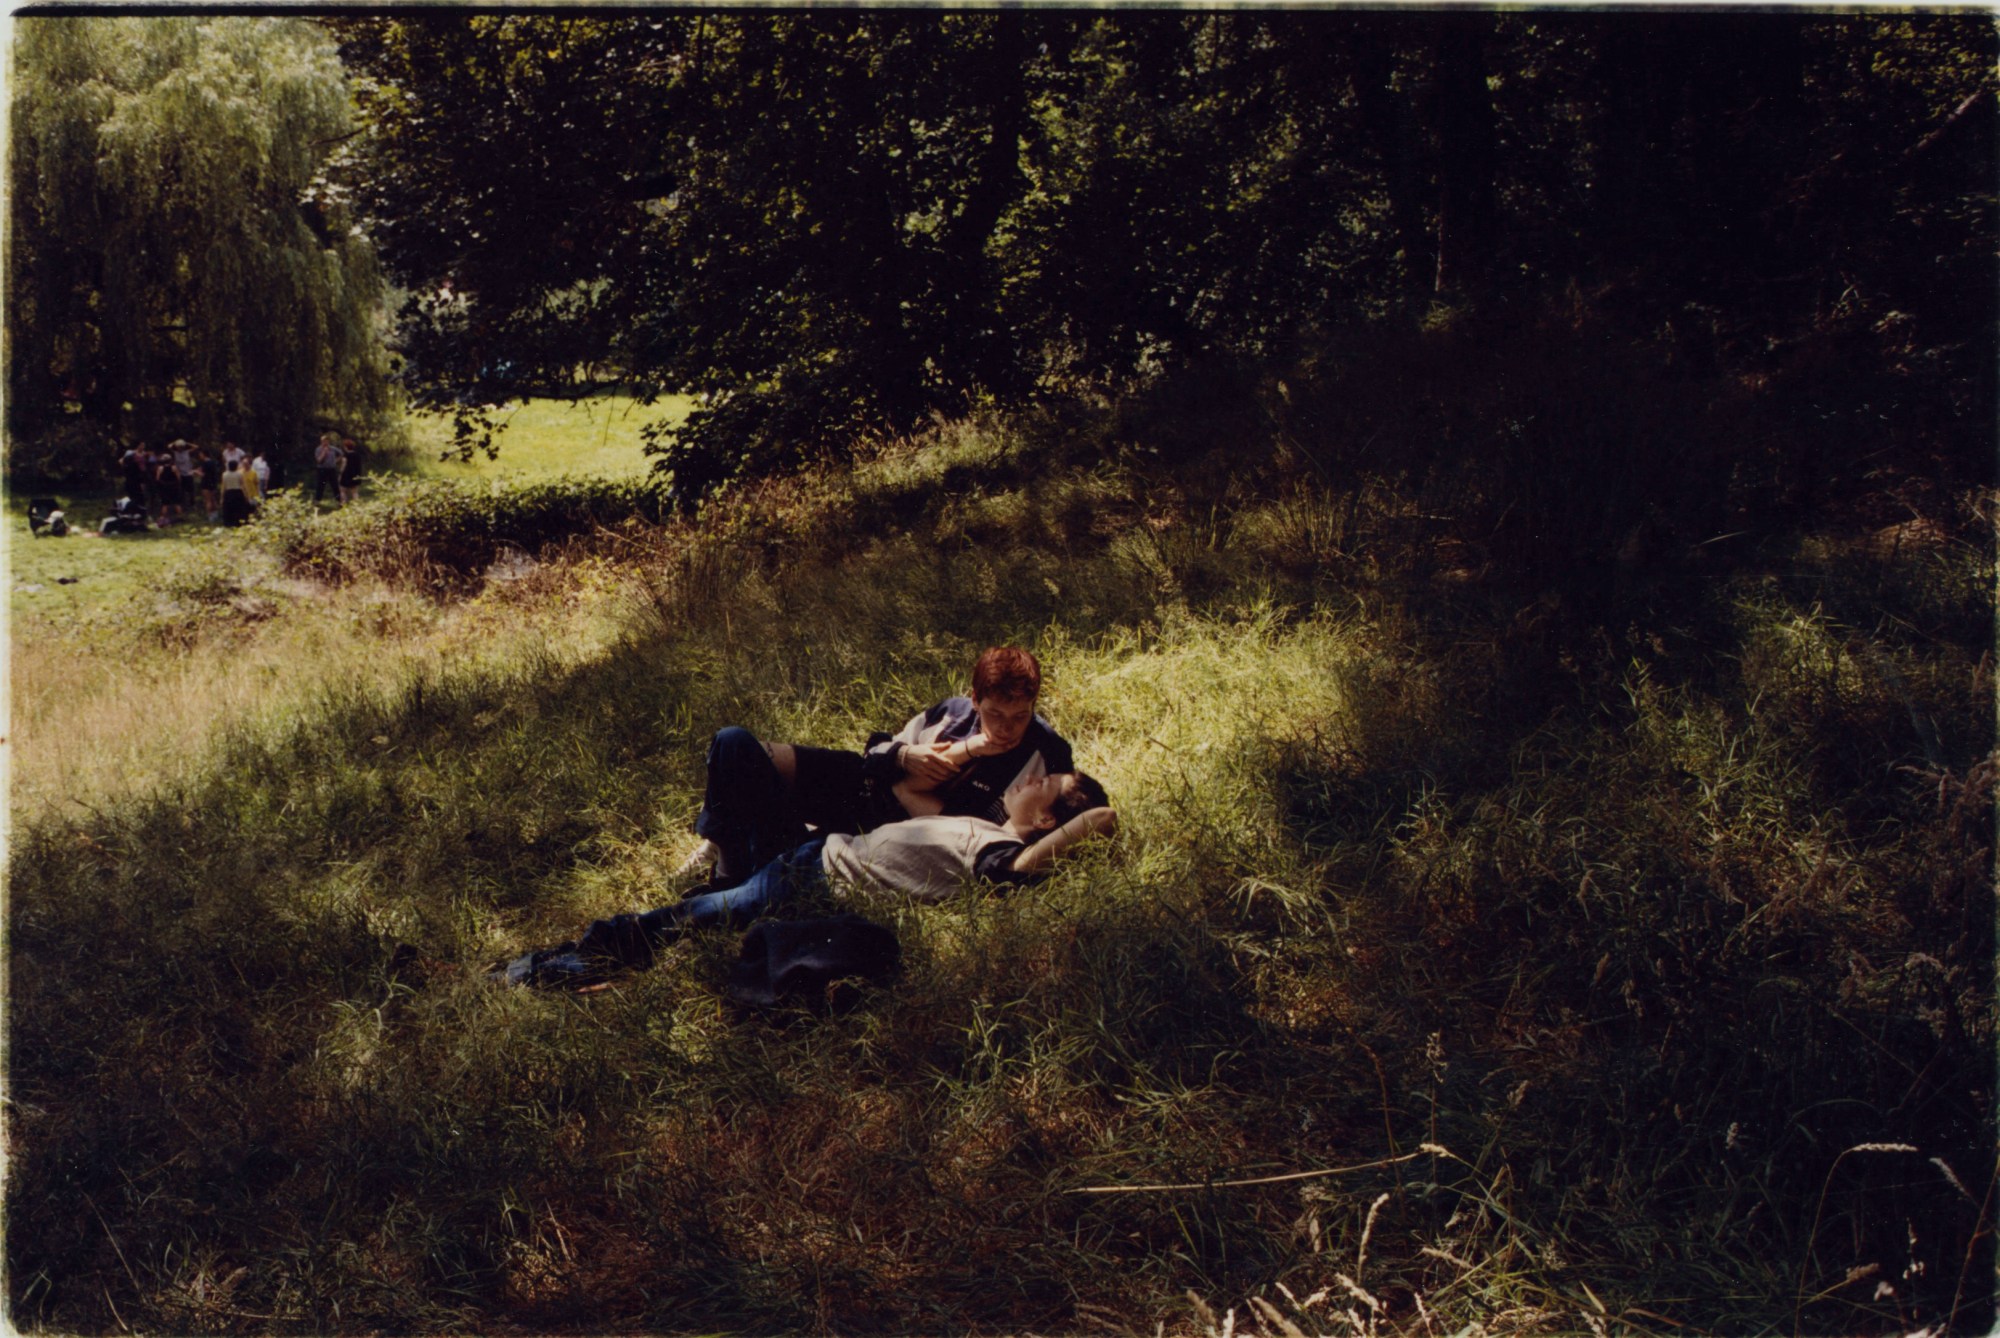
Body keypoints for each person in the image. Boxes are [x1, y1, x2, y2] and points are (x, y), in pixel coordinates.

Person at [500, 771, 1115, 988]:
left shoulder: (1002, 852)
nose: (1032, 779)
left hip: (812, 882)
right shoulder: (991, 827)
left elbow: (1029, 866)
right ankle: (577, 957)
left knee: (685, 922)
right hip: (809, 858)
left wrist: (1096, 815)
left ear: (1050, 817)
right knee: (702, 906)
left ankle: (551, 968)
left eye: (1046, 784)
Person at [686, 646, 1075, 888]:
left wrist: (932, 780)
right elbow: (875, 751)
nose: (1006, 729)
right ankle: (725, 844)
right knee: (733, 742)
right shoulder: (952, 713)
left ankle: (729, 870)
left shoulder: (1049, 752)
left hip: (894, 832)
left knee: (779, 855)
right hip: (863, 787)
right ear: (975, 699)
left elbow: (1039, 826)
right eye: (995, 714)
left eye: (1020, 716)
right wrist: (905, 756)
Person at [219, 457, 252, 527]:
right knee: (239, 509)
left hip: (228, 493)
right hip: (237, 492)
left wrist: (221, 497)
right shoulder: (239, 474)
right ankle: (239, 523)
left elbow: (223, 487)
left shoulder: (224, 474)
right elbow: (243, 485)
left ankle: (229, 523)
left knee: (229, 509)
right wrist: (246, 495)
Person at [312, 432, 343, 505]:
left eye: (327, 441)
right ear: (321, 441)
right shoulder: (318, 449)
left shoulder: (333, 448)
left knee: (335, 485)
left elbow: (341, 454)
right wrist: (324, 453)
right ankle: (317, 501)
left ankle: (339, 501)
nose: (325, 442)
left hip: (331, 469)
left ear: (328, 441)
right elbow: (319, 461)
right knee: (320, 485)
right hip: (322, 469)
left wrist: (336, 460)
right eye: (324, 441)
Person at [338, 436, 362, 505]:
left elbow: (343, 465)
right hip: (356, 474)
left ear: (346, 447)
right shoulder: (357, 455)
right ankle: (357, 505)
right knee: (354, 492)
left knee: (342, 490)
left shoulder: (346, 455)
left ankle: (344, 504)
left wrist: (340, 474)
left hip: (346, 475)